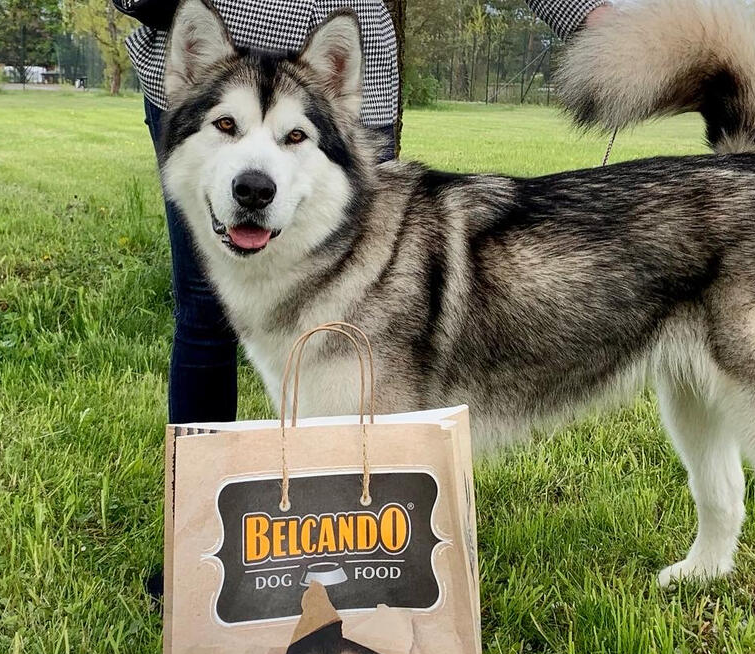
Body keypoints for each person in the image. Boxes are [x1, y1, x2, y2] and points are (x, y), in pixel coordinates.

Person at [119, 0, 610, 427]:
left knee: (369, 413)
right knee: (206, 319)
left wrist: (583, 10)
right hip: (215, 35)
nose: (254, 177)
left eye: (292, 139)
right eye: (226, 127)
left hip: (337, 64)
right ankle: (202, 511)